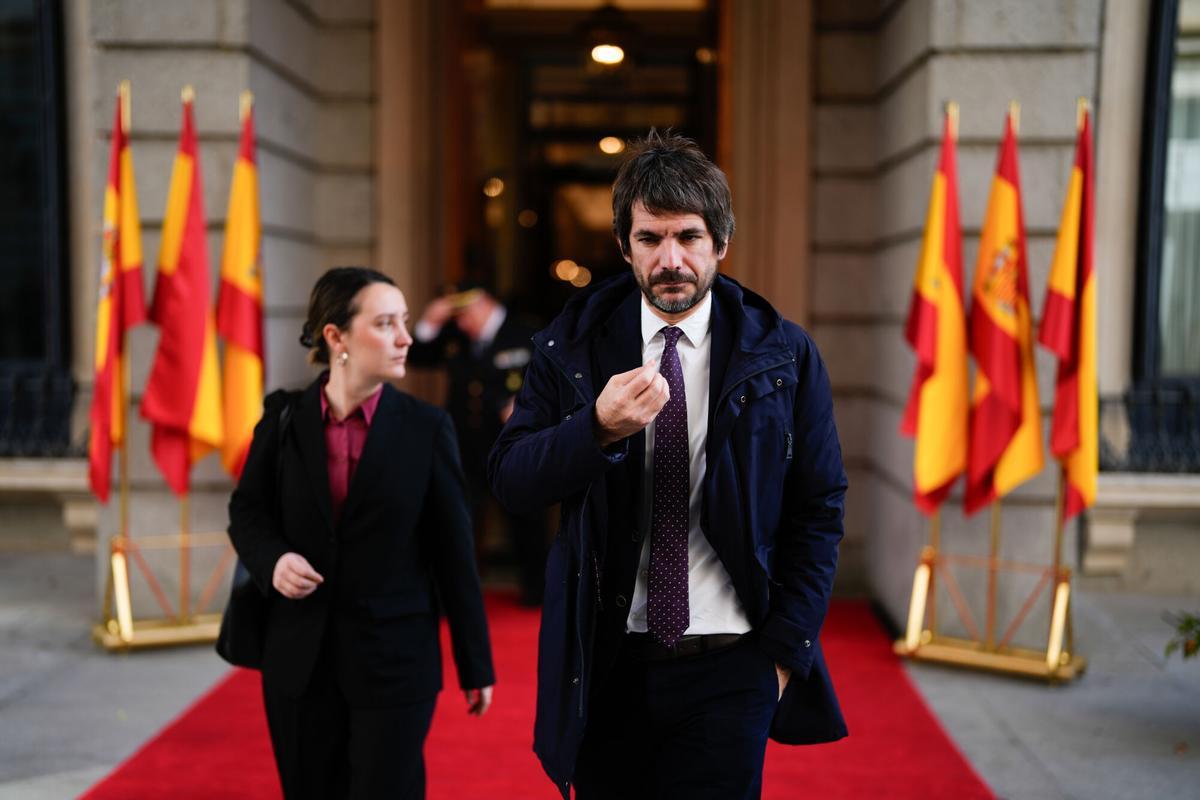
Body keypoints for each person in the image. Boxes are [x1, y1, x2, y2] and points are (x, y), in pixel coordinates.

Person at [488, 132, 848, 799]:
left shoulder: (784, 354)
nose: (671, 259)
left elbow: (819, 507)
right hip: (608, 665)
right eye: (650, 239)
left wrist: (780, 656)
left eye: (689, 236)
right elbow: (511, 479)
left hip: (732, 667)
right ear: (624, 246)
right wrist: (594, 429)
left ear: (721, 242)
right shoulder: (572, 346)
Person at [228, 267, 495, 799]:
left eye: (405, 322)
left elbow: (452, 552)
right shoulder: (282, 418)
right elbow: (248, 512)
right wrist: (274, 561)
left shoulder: (426, 428)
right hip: (299, 661)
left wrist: (474, 662)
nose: (405, 338)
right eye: (385, 323)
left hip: (394, 660)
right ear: (337, 336)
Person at [408, 283, 547, 605]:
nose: (459, 322)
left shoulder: (525, 333)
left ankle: (537, 592)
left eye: (463, 312)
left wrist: (528, 405)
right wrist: (430, 320)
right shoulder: (456, 338)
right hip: (466, 447)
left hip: (513, 445)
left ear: (483, 304)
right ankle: (454, 594)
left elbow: (553, 380)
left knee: (526, 521)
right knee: (458, 521)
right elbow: (417, 357)